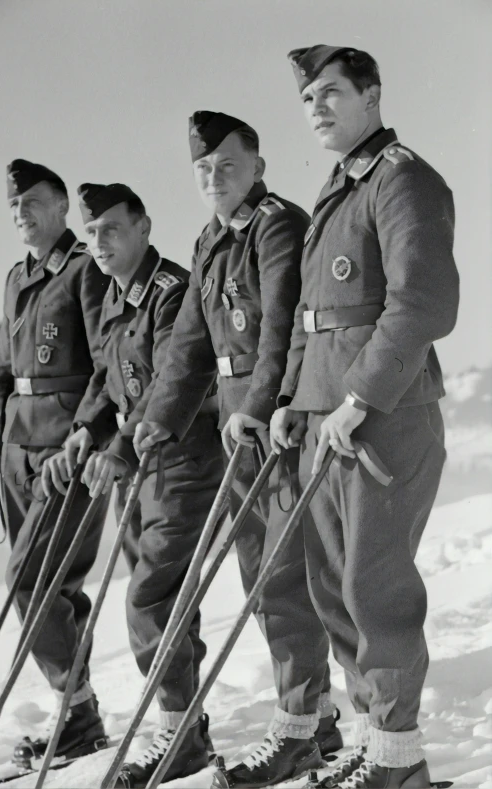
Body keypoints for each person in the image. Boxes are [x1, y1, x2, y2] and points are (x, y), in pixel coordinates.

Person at [270, 45, 459, 788]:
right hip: (325, 419)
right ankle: (374, 741)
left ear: (373, 95)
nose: (316, 106)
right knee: (332, 588)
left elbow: (422, 304)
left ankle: (398, 758)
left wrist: (358, 398)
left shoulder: (403, 177)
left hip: (384, 415)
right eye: (309, 97)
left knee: (374, 587)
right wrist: (293, 400)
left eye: (331, 92)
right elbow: (310, 321)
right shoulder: (337, 189)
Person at [136, 111, 342, 789]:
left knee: (283, 577)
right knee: (263, 581)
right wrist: (159, 418)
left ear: (257, 165)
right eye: (202, 170)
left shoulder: (276, 223)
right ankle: (313, 715)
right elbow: (190, 345)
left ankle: (299, 729)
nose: (214, 179)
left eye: (227, 165)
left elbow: (280, 323)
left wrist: (260, 407)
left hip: (275, 420)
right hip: (237, 428)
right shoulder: (209, 241)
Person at [46, 181, 224, 788]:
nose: (99, 242)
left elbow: (170, 380)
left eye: (112, 229)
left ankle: (178, 734)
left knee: (149, 597)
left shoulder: (172, 293)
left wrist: (119, 445)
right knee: (165, 597)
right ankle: (186, 727)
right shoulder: (117, 299)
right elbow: (106, 377)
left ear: (144, 228)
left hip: (181, 458)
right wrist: (85, 430)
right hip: (137, 466)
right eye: (91, 232)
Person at [0, 160, 111, 765]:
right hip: (16, 458)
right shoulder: (14, 280)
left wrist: (83, 433)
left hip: (66, 455)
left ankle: (76, 705)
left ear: (60, 207)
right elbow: (3, 375)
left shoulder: (86, 272)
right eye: (13, 206)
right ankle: (80, 718)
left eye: (32, 202)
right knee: (56, 592)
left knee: (31, 582)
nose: (21, 214)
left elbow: (107, 365)